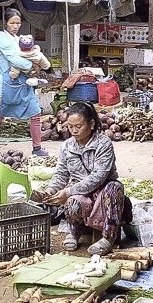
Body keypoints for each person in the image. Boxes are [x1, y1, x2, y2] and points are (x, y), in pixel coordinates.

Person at [35, 102, 132, 255]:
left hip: (104, 188)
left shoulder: (103, 143)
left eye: (79, 126)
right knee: (72, 201)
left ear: (91, 124)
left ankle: (109, 237)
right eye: (70, 126)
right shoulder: (66, 146)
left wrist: (68, 191)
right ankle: (74, 231)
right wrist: (51, 189)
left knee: (113, 190)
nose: (74, 130)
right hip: (80, 190)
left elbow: (98, 177)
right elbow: (61, 173)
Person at [0, 8, 49, 157]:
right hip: (8, 84)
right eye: (12, 23)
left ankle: (37, 148)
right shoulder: (2, 39)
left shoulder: (17, 38)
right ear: (5, 23)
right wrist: (32, 66)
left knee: (35, 113)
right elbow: (14, 59)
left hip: (22, 82)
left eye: (18, 23)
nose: (15, 26)